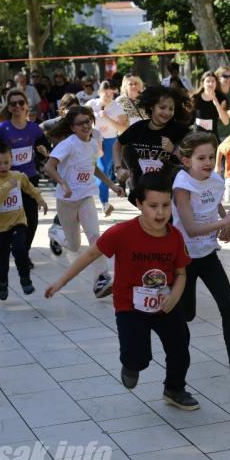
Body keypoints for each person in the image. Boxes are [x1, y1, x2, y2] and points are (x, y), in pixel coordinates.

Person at [45, 172, 199, 410]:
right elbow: (89, 255)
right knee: (137, 357)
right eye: (153, 206)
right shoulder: (122, 233)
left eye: (166, 205)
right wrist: (61, 282)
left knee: (180, 345)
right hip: (130, 307)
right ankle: (131, 364)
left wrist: (175, 296)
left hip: (165, 303)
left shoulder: (175, 236)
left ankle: (175, 388)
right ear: (139, 204)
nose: (160, 213)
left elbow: (181, 274)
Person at [172, 132, 230, 391]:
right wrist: (224, 222)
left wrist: (227, 224)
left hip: (207, 255)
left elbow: (217, 208)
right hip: (183, 259)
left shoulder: (216, 180)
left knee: (229, 308)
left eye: (210, 157)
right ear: (186, 161)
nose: (207, 162)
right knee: (186, 314)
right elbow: (192, 228)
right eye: (201, 158)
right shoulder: (182, 185)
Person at [43, 106, 124, 298]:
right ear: (72, 127)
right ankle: (55, 231)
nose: (86, 126)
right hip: (67, 200)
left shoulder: (94, 141)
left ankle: (101, 279)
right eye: (80, 123)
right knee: (73, 246)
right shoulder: (68, 144)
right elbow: (49, 166)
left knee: (96, 238)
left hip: (86, 197)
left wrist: (112, 186)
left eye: (88, 121)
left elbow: (93, 167)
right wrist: (63, 183)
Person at [0, 89, 51, 265]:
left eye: (21, 103)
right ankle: (18, 250)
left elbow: (45, 151)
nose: (17, 106)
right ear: (9, 108)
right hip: (8, 181)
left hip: (29, 179)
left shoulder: (34, 129)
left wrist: (42, 152)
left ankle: (22, 253)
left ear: (26, 106)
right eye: (13, 104)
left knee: (32, 220)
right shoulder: (2, 130)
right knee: (12, 219)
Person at [0, 139, 48, 300]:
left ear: (11, 160)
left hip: (18, 221)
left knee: (20, 249)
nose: (3, 166)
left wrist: (39, 199)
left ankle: (25, 279)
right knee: (2, 258)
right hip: (0, 227)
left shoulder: (18, 176)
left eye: (6, 162)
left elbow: (30, 188)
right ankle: (2, 282)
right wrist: (6, 187)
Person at [113, 86, 191, 189]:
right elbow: (117, 144)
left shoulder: (180, 131)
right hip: (142, 187)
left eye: (171, 109)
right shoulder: (139, 128)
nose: (167, 112)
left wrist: (173, 150)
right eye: (162, 107)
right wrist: (118, 168)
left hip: (171, 188)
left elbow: (193, 160)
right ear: (151, 106)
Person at [86, 81, 126, 215]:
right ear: (99, 93)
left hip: (109, 141)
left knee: (102, 170)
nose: (108, 97)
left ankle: (104, 202)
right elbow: (79, 117)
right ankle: (95, 200)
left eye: (111, 94)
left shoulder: (117, 107)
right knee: (89, 171)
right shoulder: (91, 104)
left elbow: (123, 128)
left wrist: (108, 118)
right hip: (92, 140)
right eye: (105, 94)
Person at [191, 71, 229, 137]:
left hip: (212, 137)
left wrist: (216, 103)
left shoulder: (221, 99)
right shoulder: (195, 98)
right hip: (196, 136)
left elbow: (226, 122)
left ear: (216, 83)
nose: (210, 83)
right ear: (202, 84)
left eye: (213, 81)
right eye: (208, 81)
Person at [215, 66, 230, 140]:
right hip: (220, 135)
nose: (229, 79)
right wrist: (225, 114)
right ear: (218, 78)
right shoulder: (214, 94)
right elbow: (210, 114)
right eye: (225, 76)